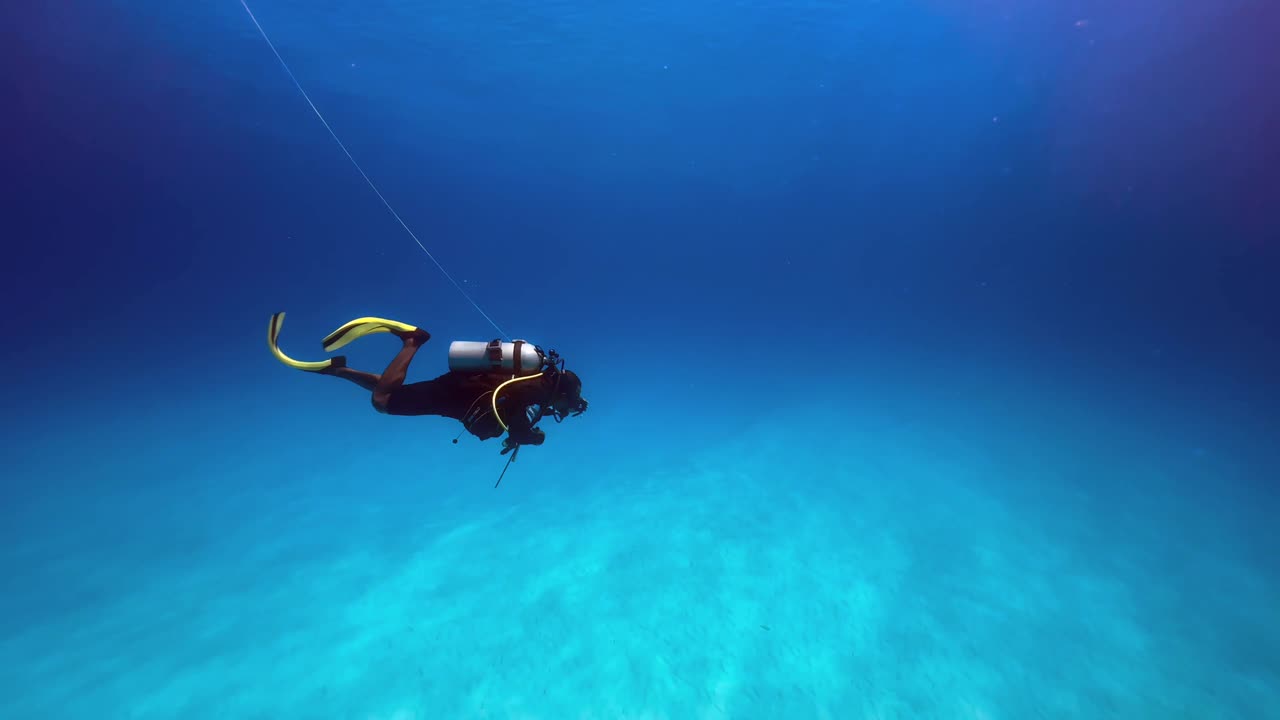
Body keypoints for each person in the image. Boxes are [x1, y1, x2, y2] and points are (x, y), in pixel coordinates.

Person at [267, 313, 587, 452]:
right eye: (565, 407)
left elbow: (512, 406)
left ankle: (339, 371)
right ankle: (412, 340)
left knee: (393, 394)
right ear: (563, 395)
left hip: (457, 392)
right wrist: (525, 435)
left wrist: (523, 431)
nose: (560, 411)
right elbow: (514, 409)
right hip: (454, 396)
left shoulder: (540, 382)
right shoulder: (538, 387)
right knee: (383, 403)